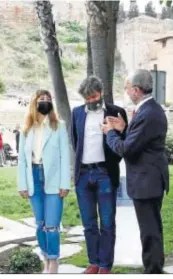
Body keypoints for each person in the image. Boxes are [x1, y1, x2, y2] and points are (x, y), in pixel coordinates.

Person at [101, 69, 169, 274]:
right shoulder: (149, 110)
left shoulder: (148, 113)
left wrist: (110, 133)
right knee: (151, 229)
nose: (126, 91)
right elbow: (139, 140)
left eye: (128, 87)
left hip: (147, 181)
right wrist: (125, 129)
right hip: (150, 178)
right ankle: (154, 267)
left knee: (149, 231)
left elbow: (127, 149)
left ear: (137, 90)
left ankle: (154, 270)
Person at [70, 76, 128, 274]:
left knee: (107, 222)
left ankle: (105, 265)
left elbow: (123, 144)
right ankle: (93, 262)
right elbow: (75, 142)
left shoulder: (116, 112)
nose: (90, 101)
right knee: (88, 223)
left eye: (93, 96)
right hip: (83, 175)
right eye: (87, 98)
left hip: (105, 174)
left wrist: (110, 164)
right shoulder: (76, 113)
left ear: (101, 93)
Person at [17, 89, 70, 273]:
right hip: (33, 177)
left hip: (54, 179)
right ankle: (46, 256)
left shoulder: (59, 126)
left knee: (52, 225)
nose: (45, 102)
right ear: (34, 103)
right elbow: (22, 160)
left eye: (48, 99)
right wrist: (22, 185)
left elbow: (65, 157)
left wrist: (65, 184)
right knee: (39, 223)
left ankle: (54, 260)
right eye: (41, 99)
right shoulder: (26, 129)